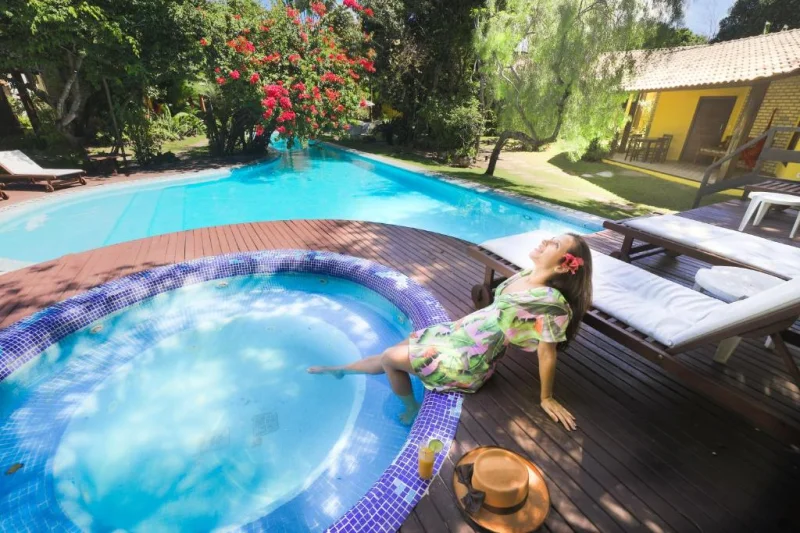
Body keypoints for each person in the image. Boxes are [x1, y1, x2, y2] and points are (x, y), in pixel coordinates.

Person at [308, 233, 593, 430]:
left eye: (554, 244)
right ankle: (340, 370)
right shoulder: (526, 275)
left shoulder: (550, 303)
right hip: (458, 335)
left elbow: (547, 353)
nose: (545, 241)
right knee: (392, 353)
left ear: (562, 265)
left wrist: (546, 397)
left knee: (390, 359)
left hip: (468, 359)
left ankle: (412, 408)